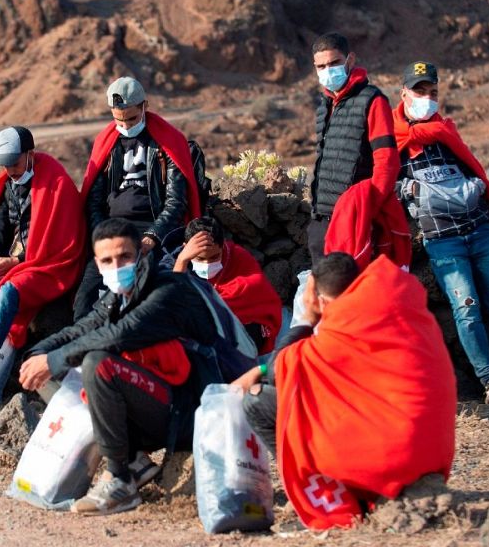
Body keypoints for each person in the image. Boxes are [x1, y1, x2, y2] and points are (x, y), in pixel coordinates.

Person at [232, 254, 456, 530]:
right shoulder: (400, 307)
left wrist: (307, 320)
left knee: (256, 400)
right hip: (432, 453)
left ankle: (336, 495)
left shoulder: (343, 326)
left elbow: (283, 365)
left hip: (393, 457)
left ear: (317, 295)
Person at [18, 218, 219, 516]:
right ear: (97, 265)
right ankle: (134, 457)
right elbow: (80, 330)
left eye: (124, 256)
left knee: (98, 364)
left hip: (184, 410)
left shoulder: (168, 290)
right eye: (108, 260)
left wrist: (53, 359)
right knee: (52, 363)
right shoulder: (117, 297)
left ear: (140, 255)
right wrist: (37, 354)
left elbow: (119, 333)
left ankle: (120, 480)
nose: (117, 266)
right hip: (149, 405)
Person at [392, 60, 489, 405]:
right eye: (420, 91)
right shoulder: (392, 141)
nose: (427, 98)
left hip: (480, 230)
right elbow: (386, 183)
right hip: (443, 241)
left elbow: (473, 167)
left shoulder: (445, 133)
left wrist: (478, 186)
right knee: (467, 310)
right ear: (403, 92)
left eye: (433, 92)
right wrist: (414, 191)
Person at [0, 126, 86, 398]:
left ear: (30, 154)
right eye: (4, 165)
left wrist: (17, 261)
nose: (9, 169)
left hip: (56, 265)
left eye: (14, 162)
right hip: (32, 260)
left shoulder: (56, 183)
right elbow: (1, 226)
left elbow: (60, 242)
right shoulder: (14, 183)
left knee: (8, 291)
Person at [74, 76, 203, 318]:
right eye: (117, 119)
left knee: (144, 292)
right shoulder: (107, 143)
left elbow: (176, 201)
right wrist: (100, 234)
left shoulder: (168, 142)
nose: (124, 125)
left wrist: (152, 237)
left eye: (131, 118)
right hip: (112, 228)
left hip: (149, 228)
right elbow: (93, 199)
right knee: (85, 296)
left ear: (145, 106)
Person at [232, 252, 360, 457]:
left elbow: (277, 370)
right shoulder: (392, 314)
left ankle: (303, 470)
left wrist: (309, 319)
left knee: (255, 398)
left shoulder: (330, 336)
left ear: (321, 300)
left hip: (359, 446)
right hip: (407, 432)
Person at [305, 32, 404, 267]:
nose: (328, 70)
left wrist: (367, 210)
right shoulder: (324, 106)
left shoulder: (372, 100)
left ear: (350, 60)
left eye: (334, 63)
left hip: (354, 220)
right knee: (327, 297)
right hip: (322, 221)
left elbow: (387, 162)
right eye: (321, 66)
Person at [171, 216, 282, 355]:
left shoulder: (237, 258)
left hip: (238, 330)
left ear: (223, 246)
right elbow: (171, 304)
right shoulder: (172, 263)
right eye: (199, 258)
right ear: (185, 248)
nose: (207, 264)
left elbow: (256, 290)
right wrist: (181, 262)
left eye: (214, 257)